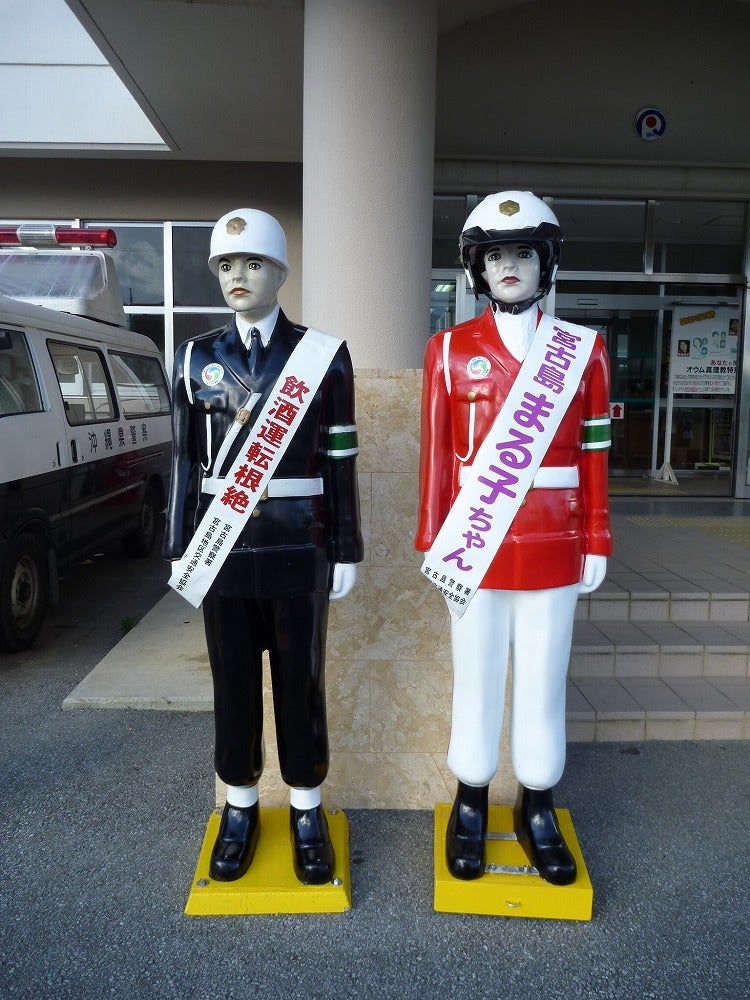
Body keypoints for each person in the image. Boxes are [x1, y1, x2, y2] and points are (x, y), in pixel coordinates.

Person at [415, 191, 611, 885]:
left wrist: (597, 535)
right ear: (476, 266)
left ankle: (538, 805)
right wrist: (431, 538)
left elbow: (595, 453)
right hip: (474, 545)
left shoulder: (583, 351)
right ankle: (470, 802)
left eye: (524, 252)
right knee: (475, 679)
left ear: (546, 263)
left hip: (555, 542)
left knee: (543, 681)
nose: (509, 266)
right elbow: (438, 457)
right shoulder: (447, 350)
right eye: (495, 254)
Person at [164, 208, 363, 885]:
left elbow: (340, 458)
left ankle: (307, 808)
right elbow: (184, 460)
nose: (237, 276)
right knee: (232, 680)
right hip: (220, 545)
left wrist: (345, 544)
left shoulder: (322, 354)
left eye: (252, 264)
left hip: (299, 540)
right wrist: (177, 543)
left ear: (280, 272)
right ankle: (240, 806)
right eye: (226, 265)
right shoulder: (194, 357)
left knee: (302, 679)